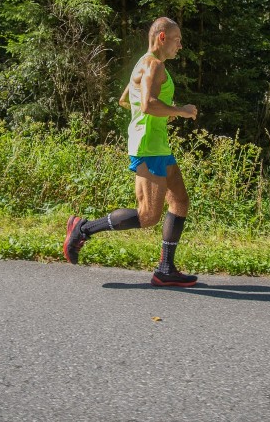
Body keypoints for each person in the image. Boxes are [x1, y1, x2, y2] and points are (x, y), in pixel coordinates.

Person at [64, 17, 199, 287]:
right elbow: (147, 104)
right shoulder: (154, 65)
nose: (180, 45)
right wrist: (180, 111)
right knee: (148, 216)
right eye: (177, 40)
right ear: (162, 37)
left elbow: (126, 99)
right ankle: (83, 229)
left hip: (156, 145)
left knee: (180, 200)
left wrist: (159, 115)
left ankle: (165, 269)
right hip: (149, 149)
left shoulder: (143, 62)